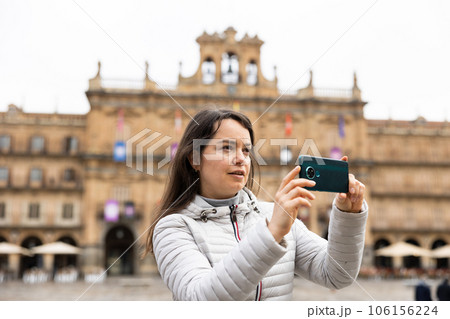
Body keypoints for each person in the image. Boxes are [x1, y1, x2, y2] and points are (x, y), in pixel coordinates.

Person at [145, 108, 368, 301]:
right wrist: (270, 235)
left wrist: (348, 216)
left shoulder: (276, 216)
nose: (241, 158)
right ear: (195, 159)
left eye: (246, 150)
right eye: (226, 148)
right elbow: (200, 300)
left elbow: (338, 275)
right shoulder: (172, 228)